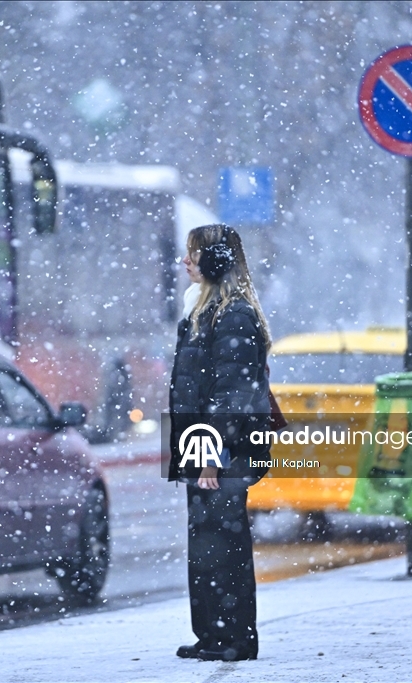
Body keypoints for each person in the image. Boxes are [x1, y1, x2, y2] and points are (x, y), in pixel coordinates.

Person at [169, 224, 273, 662]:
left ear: (215, 261)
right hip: (205, 449)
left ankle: (234, 639)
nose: (185, 263)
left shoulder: (234, 315)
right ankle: (212, 634)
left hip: (225, 451)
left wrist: (211, 456)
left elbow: (232, 395)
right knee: (206, 543)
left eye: (192, 255)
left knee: (224, 546)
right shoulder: (205, 311)